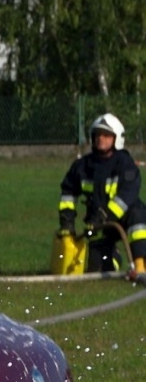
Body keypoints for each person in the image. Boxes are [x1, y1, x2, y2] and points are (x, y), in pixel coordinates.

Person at [58, 112, 146, 276]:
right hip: (96, 222)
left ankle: (141, 265)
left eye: (106, 135)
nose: (101, 139)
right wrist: (67, 222)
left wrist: (105, 215)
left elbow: (127, 195)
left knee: (138, 219)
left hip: (125, 218)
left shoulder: (125, 164)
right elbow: (68, 193)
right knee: (96, 268)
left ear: (116, 139)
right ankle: (114, 258)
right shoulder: (82, 166)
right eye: (98, 135)